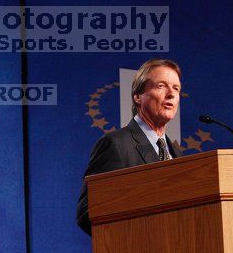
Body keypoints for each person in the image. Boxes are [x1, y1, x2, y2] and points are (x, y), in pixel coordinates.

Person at [76, 59, 184, 235]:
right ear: (138, 96)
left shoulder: (177, 155)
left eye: (176, 88)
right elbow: (88, 212)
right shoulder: (116, 144)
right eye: (161, 86)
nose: (171, 94)